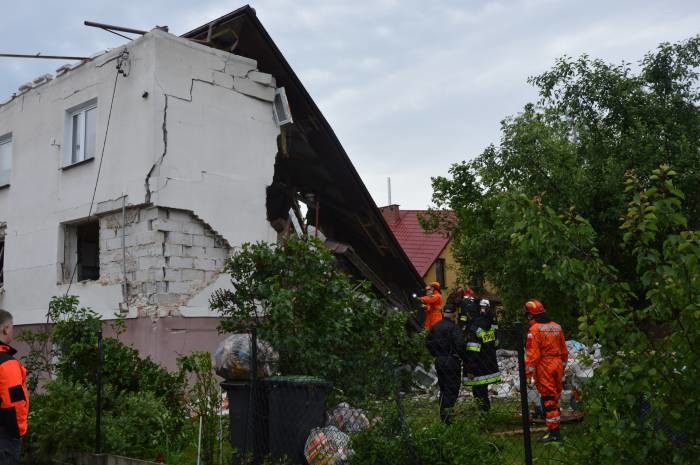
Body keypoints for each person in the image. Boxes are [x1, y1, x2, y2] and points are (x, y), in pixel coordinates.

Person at [523, 299, 568, 443]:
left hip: (545, 366)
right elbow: (564, 351)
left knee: (548, 399)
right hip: (558, 364)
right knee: (555, 398)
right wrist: (562, 366)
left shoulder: (534, 330)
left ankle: (554, 433)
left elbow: (532, 355)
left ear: (530, 315)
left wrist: (529, 374)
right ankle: (554, 428)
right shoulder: (557, 327)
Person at [426, 304, 468, 423]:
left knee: (443, 388)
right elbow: (460, 345)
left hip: (439, 360)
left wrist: (436, 353)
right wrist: (464, 358)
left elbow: (428, 343)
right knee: (452, 388)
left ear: (443, 313)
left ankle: (443, 414)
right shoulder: (454, 328)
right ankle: (447, 417)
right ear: (454, 314)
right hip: (451, 360)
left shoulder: (435, 327)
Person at [0, 309, 29, 465]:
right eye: (11, 326)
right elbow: (15, 403)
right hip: (5, 437)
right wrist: (19, 432)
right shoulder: (7, 364)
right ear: (5, 329)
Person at [462, 299, 500, 412]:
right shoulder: (487, 322)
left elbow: (473, 350)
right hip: (488, 361)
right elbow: (494, 342)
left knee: (479, 392)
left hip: (478, 366)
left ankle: (483, 412)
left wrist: (470, 369)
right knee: (483, 391)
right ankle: (485, 411)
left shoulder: (474, 327)